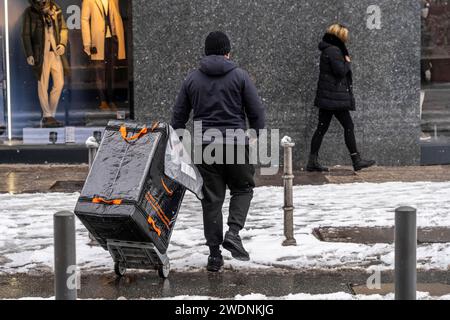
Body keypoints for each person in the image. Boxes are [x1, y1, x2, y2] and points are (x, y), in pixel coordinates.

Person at [171, 31, 265, 272]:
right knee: (243, 188)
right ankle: (233, 232)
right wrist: (253, 135)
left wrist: (180, 143)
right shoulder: (240, 76)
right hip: (235, 143)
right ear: (227, 52)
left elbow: (178, 117)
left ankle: (214, 255)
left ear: (205, 52)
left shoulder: (192, 79)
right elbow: (257, 113)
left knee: (211, 200)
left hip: (205, 147)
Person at [308, 24, 375, 172]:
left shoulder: (329, 49)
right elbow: (340, 71)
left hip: (330, 97)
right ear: (339, 36)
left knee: (321, 128)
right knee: (348, 126)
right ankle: (356, 160)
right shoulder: (334, 50)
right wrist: (348, 62)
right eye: (344, 36)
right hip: (334, 98)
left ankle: (312, 161)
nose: (346, 39)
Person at [22, 0, 69, 128]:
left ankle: (50, 115)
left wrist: (62, 44)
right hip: (41, 53)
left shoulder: (55, 9)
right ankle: (47, 115)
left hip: (55, 51)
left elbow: (63, 28)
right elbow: (25, 34)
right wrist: (29, 53)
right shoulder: (30, 12)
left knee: (59, 83)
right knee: (42, 83)